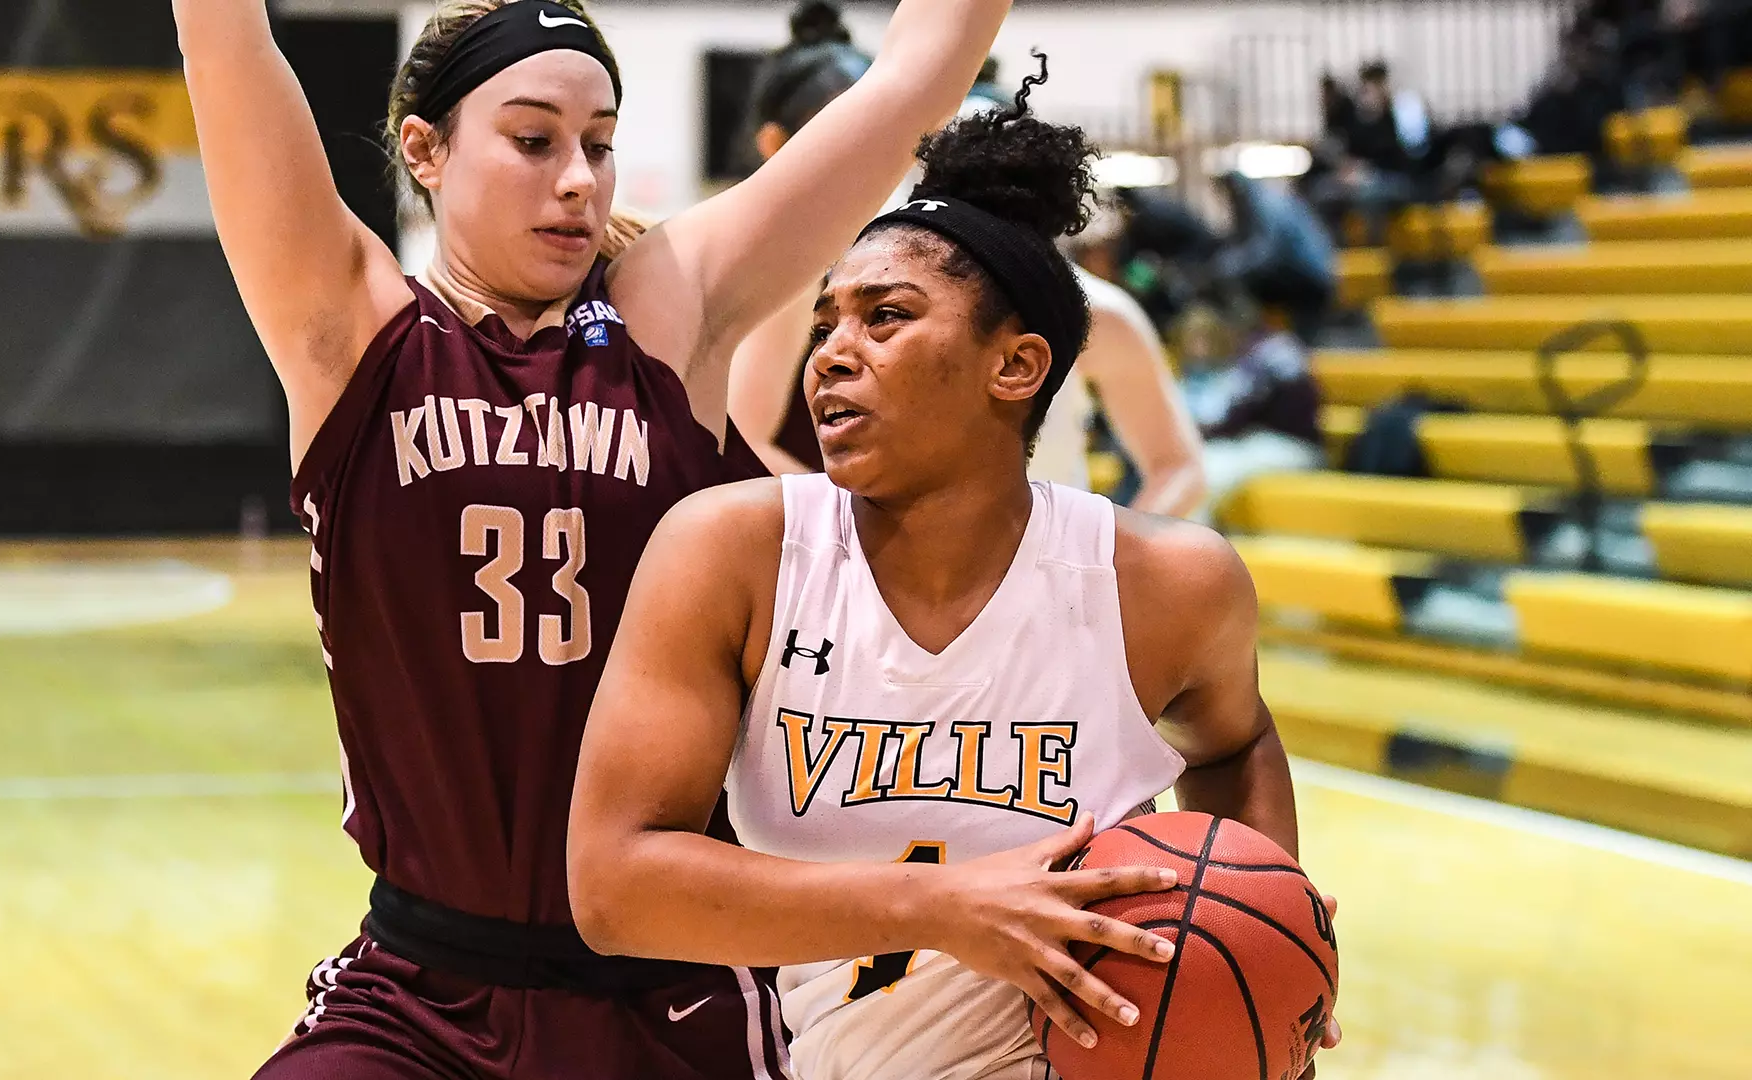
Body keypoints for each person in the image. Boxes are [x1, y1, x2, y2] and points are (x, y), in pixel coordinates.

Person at [171, 0, 1012, 1075]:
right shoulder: (352, 329)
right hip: (422, 990)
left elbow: (908, 83)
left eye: (599, 144)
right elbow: (227, 42)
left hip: (670, 990)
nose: (578, 177)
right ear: (425, 150)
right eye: (533, 141)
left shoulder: (668, 313)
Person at [569, 104, 1338, 1080]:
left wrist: (1270, 934)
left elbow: (1233, 744)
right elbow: (612, 883)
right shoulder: (730, 550)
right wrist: (944, 909)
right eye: (826, 323)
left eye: (884, 317)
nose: (832, 355)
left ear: (1015, 365)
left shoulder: (1169, 587)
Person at [729, 50, 1205, 514]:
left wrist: (1108, 563)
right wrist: (844, 536)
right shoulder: (848, 284)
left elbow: (1177, 468)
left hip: (1041, 573)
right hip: (894, 565)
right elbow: (744, 433)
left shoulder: (1095, 313)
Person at [1174, 301, 1326, 522]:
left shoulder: (1278, 349)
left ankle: (1194, 550)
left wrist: (1208, 432)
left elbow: (1250, 412)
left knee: (1209, 471)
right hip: (1256, 441)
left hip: (1293, 444)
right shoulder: (1243, 356)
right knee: (1198, 466)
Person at [1212, 170, 1339, 345]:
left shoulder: (1268, 205)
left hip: (1312, 277)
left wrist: (1228, 266)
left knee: (1243, 280)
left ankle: (1254, 337)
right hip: (1303, 273)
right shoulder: (1258, 203)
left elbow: (1267, 252)